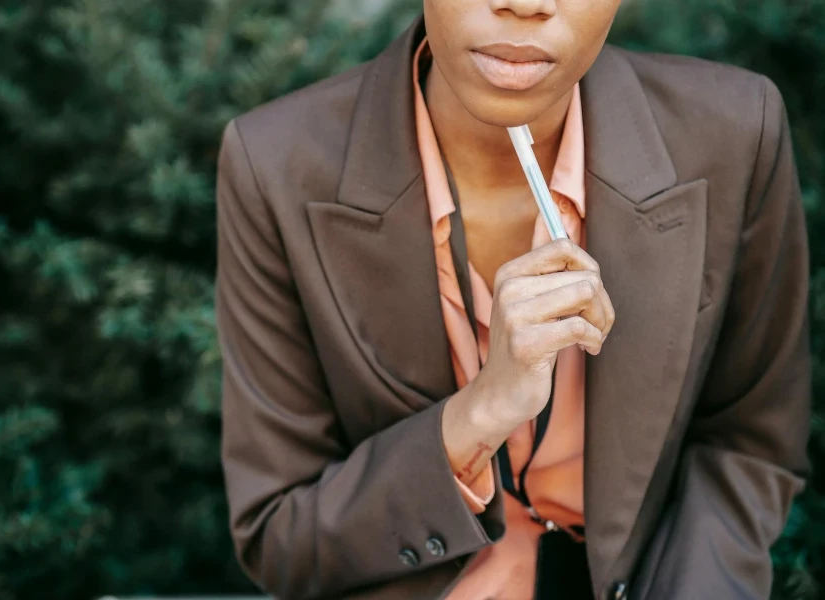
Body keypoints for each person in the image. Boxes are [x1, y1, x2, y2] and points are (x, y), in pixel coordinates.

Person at [214, 1, 811, 599]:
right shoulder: (274, 164)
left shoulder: (735, 132)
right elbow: (279, 536)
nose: (525, 4)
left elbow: (748, 446)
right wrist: (480, 412)